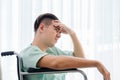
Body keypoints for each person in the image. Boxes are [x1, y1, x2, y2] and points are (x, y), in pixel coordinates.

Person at [20, 13, 110, 80]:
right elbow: (56, 63)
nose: (59, 35)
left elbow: (81, 59)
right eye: (56, 30)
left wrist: (72, 34)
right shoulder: (28, 53)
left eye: (60, 32)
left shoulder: (53, 51)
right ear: (42, 28)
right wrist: (96, 63)